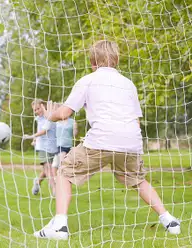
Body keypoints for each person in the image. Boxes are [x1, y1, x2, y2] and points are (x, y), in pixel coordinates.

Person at [34, 40, 181, 240]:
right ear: (117, 60)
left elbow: (65, 113)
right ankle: (169, 220)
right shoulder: (129, 84)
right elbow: (136, 122)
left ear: (92, 61)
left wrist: (50, 115)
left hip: (101, 140)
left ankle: (59, 226)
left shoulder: (88, 80)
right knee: (138, 180)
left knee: (64, 172)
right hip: (131, 142)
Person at [23, 99, 58, 196]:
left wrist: (32, 136)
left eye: (38, 109)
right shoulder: (38, 119)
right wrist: (34, 139)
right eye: (34, 110)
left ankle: (37, 182)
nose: (36, 111)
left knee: (48, 169)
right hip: (42, 147)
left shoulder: (50, 117)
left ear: (43, 107)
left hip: (53, 146)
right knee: (48, 169)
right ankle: (55, 190)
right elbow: (42, 131)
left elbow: (46, 130)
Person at [52, 104, 78, 179]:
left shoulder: (72, 121)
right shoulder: (56, 122)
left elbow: (74, 134)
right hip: (60, 145)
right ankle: (59, 179)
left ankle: (57, 179)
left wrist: (75, 128)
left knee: (56, 164)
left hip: (69, 146)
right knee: (62, 163)